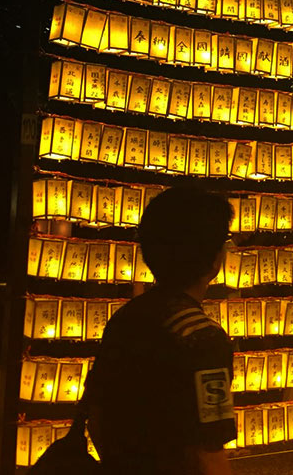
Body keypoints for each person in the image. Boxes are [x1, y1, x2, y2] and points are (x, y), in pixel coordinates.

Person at [82, 186, 236, 475]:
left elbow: (97, 417)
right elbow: (208, 451)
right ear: (215, 257)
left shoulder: (126, 318)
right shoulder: (202, 340)